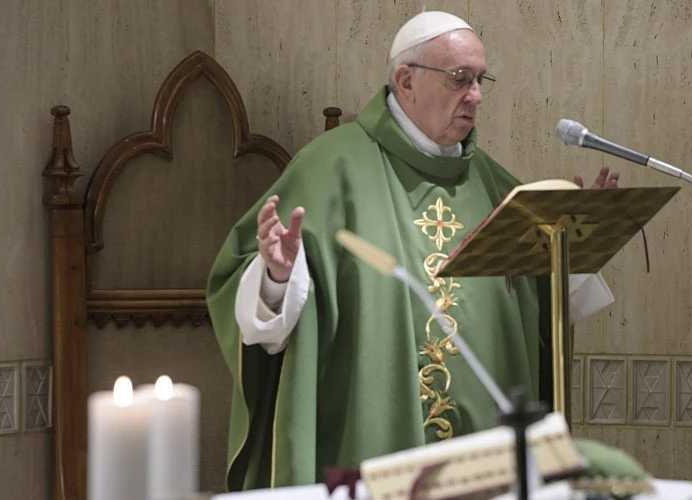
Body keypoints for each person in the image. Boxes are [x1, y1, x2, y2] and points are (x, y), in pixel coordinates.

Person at [207, 11, 620, 491]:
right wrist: (277, 277)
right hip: (370, 450)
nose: (476, 95)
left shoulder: (494, 185)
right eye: (460, 78)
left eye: (480, 79)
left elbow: (544, 308)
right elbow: (253, 310)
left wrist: (578, 242)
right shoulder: (328, 171)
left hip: (486, 464)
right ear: (406, 81)